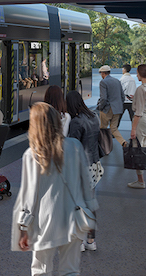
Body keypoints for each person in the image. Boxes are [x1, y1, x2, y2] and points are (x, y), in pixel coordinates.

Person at [12, 102, 98, 276]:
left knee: (41, 269)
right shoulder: (74, 146)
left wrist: (23, 227)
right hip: (75, 218)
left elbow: (29, 195)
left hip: (46, 222)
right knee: (71, 270)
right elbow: (86, 184)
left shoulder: (32, 154)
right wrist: (91, 210)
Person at [66, 90, 102, 252]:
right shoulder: (94, 116)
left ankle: (79, 241)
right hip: (94, 165)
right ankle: (91, 240)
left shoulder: (76, 122)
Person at [97, 65, 126, 147]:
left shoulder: (103, 82)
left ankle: (104, 145)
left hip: (107, 109)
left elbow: (103, 98)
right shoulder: (117, 81)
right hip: (117, 109)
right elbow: (122, 97)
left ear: (103, 73)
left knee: (103, 128)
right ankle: (123, 142)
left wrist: (100, 107)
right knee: (114, 128)